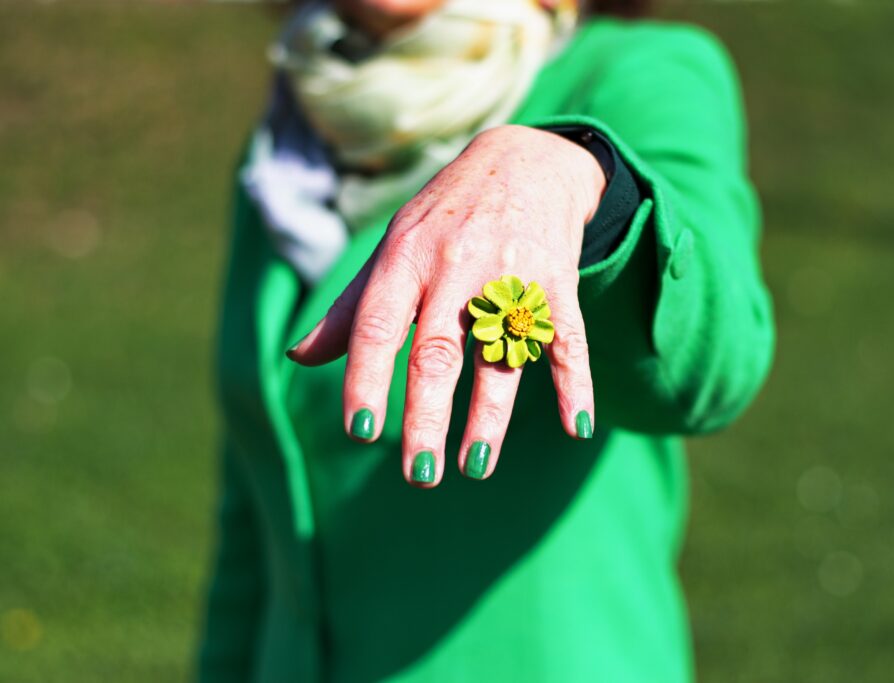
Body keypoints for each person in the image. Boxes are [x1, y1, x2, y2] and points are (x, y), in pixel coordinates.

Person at [196, 0, 774, 680]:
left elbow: (717, 362)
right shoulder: (288, 147)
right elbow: (255, 513)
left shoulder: (641, 72)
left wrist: (580, 180)